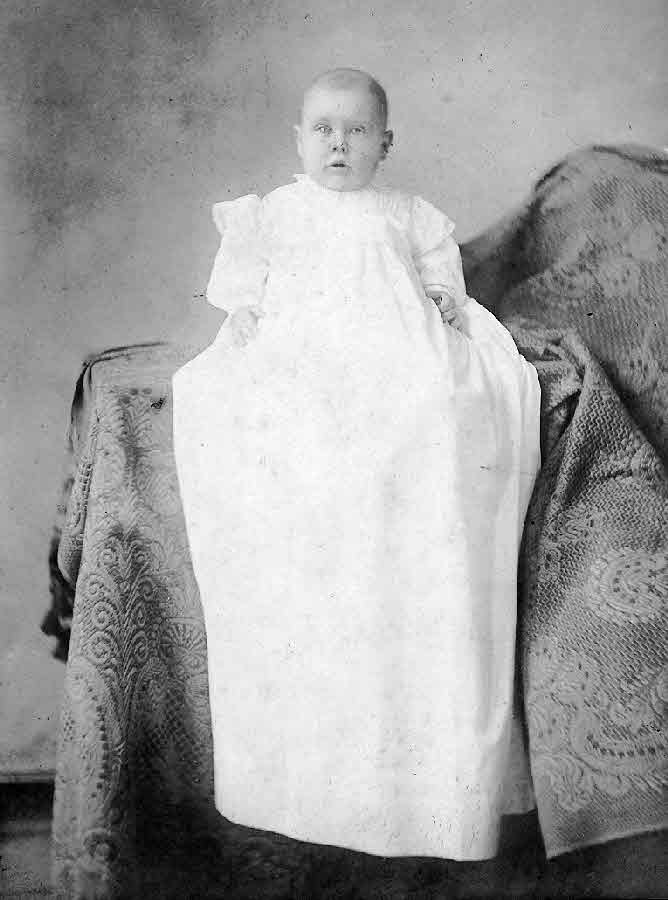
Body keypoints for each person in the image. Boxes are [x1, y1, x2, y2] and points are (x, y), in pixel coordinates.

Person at [172, 68, 541, 861]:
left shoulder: (407, 214)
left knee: (432, 406)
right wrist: (246, 314)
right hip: (307, 353)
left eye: (357, 131)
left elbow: (441, 281)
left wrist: (443, 301)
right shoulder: (276, 211)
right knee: (266, 416)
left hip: (393, 350)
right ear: (300, 140)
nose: (338, 145)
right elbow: (243, 285)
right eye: (323, 130)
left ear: (385, 143)